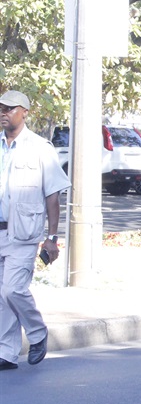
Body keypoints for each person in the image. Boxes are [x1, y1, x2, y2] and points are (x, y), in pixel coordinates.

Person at [0, 90, 71, 371]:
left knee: (13, 290)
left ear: (24, 112)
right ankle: (6, 352)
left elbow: (52, 196)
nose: (3, 113)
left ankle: (38, 333)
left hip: (23, 234)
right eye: (0, 108)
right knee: (1, 294)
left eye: (9, 109)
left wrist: (52, 239)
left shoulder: (40, 148)